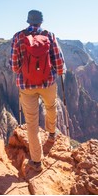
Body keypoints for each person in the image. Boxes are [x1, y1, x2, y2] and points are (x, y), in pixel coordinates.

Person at [9, 9, 66, 172]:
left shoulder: (18, 37)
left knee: (32, 124)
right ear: (41, 22)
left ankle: (36, 161)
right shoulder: (49, 35)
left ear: (28, 21)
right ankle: (52, 133)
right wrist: (58, 72)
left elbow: (14, 66)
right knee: (51, 107)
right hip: (47, 82)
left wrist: (25, 71)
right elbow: (59, 61)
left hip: (26, 86)